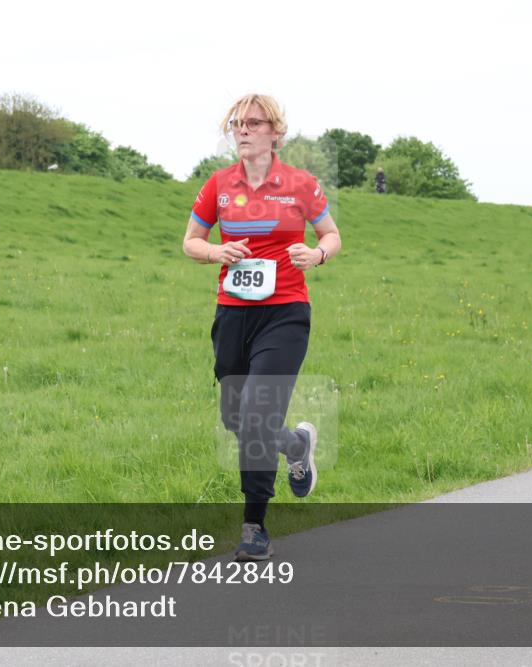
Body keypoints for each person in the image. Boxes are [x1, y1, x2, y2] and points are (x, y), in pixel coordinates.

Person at [183, 94, 341, 561]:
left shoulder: (300, 184)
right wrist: (217, 252)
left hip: (285, 312)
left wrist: (317, 254)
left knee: (256, 415)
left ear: (275, 131)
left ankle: (254, 527)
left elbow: (331, 234)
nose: (243, 130)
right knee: (236, 418)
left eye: (253, 123)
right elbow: (191, 241)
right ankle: (296, 445)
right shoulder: (219, 185)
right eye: (237, 123)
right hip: (233, 313)